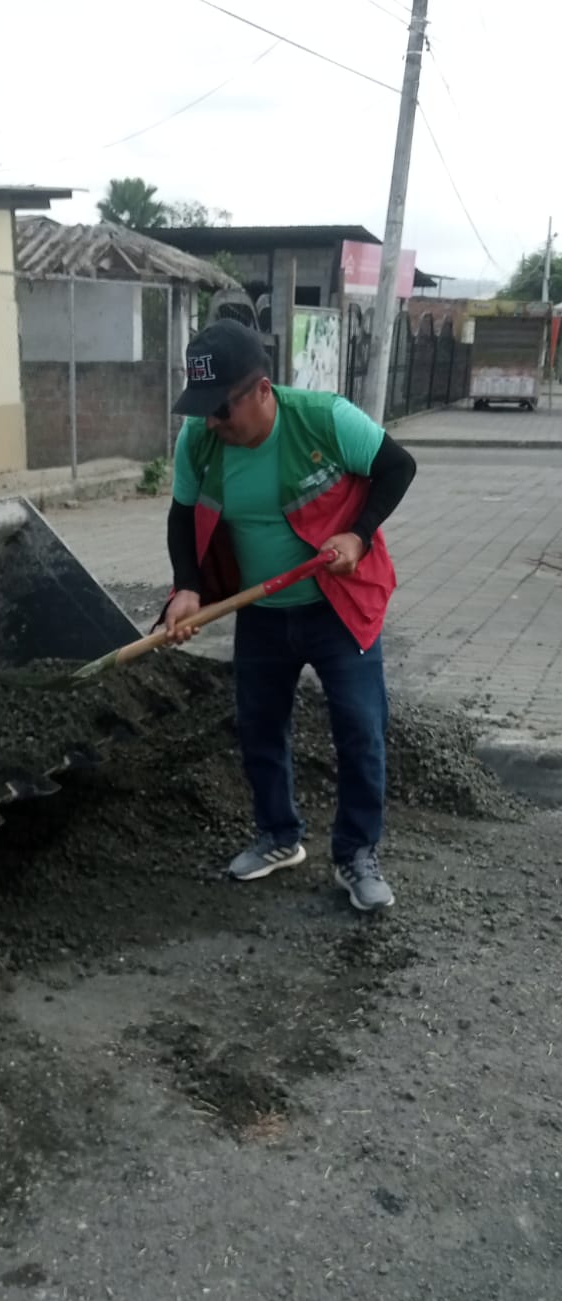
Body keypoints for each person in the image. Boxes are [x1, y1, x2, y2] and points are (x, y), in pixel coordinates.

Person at [164, 319, 416, 912]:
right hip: (261, 612)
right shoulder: (200, 440)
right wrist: (187, 589)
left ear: (262, 390)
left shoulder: (325, 419)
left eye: (221, 408)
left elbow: (398, 467)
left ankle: (356, 854)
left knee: (360, 729)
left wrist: (357, 534)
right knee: (259, 728)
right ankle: (279, 836)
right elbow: (181, 515)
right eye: (202, 410)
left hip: (337, 607)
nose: (212, 423)